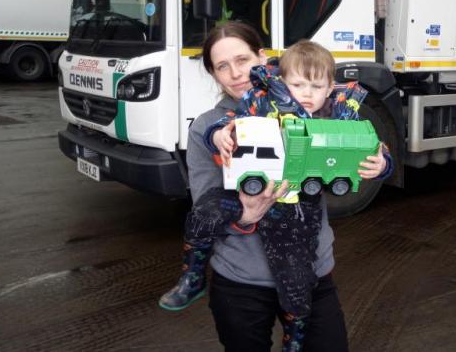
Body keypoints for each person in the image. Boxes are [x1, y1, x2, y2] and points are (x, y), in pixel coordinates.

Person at [160, 22, 388, 351]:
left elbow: (365, 145)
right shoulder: (209, 126)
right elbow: (205, 201)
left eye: (242, 59)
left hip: (310, 267)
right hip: (240, 281)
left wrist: (380, 164)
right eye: (222, 66)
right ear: (213, 74)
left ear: (263, 59)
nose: (235, 72)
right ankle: (192, 276)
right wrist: (243, 214)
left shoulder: (313, 107)